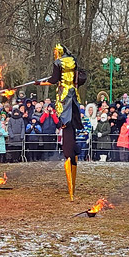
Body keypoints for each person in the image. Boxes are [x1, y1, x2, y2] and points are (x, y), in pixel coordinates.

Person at [37, 44, 87, 201]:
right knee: (71, 126)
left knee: (65, 124)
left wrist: (40, 83)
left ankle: (70, 155)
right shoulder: (73, 60)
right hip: (73, 96)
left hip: (64, 98)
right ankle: (73, 151)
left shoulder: (58, 63)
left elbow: (53, 80)